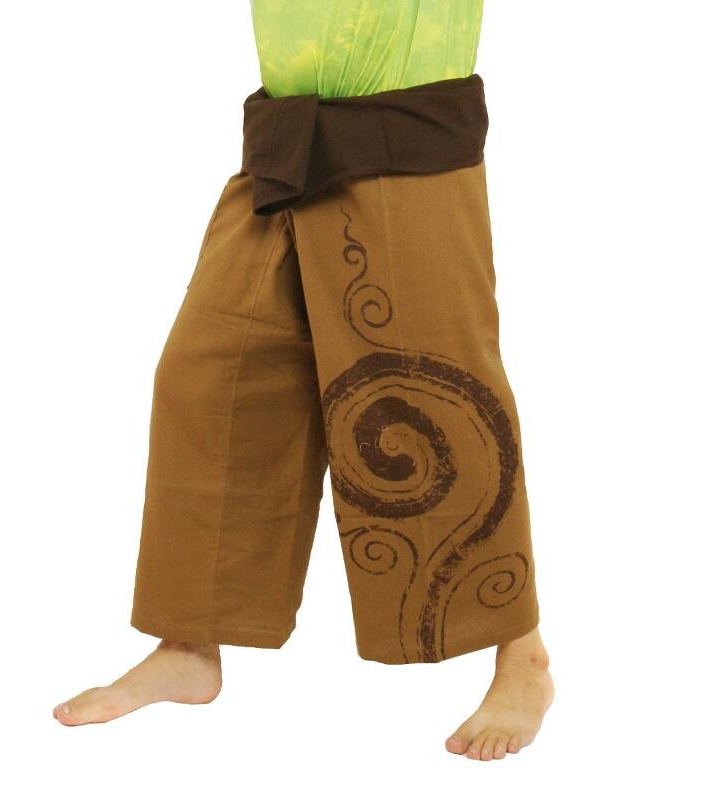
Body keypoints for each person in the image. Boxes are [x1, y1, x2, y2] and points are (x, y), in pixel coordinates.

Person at [53, 0, 554, 760]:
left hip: (406, 146)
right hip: (287, 143)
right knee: (214, 375)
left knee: (432, 397)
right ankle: (190, 645)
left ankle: (523, 657)